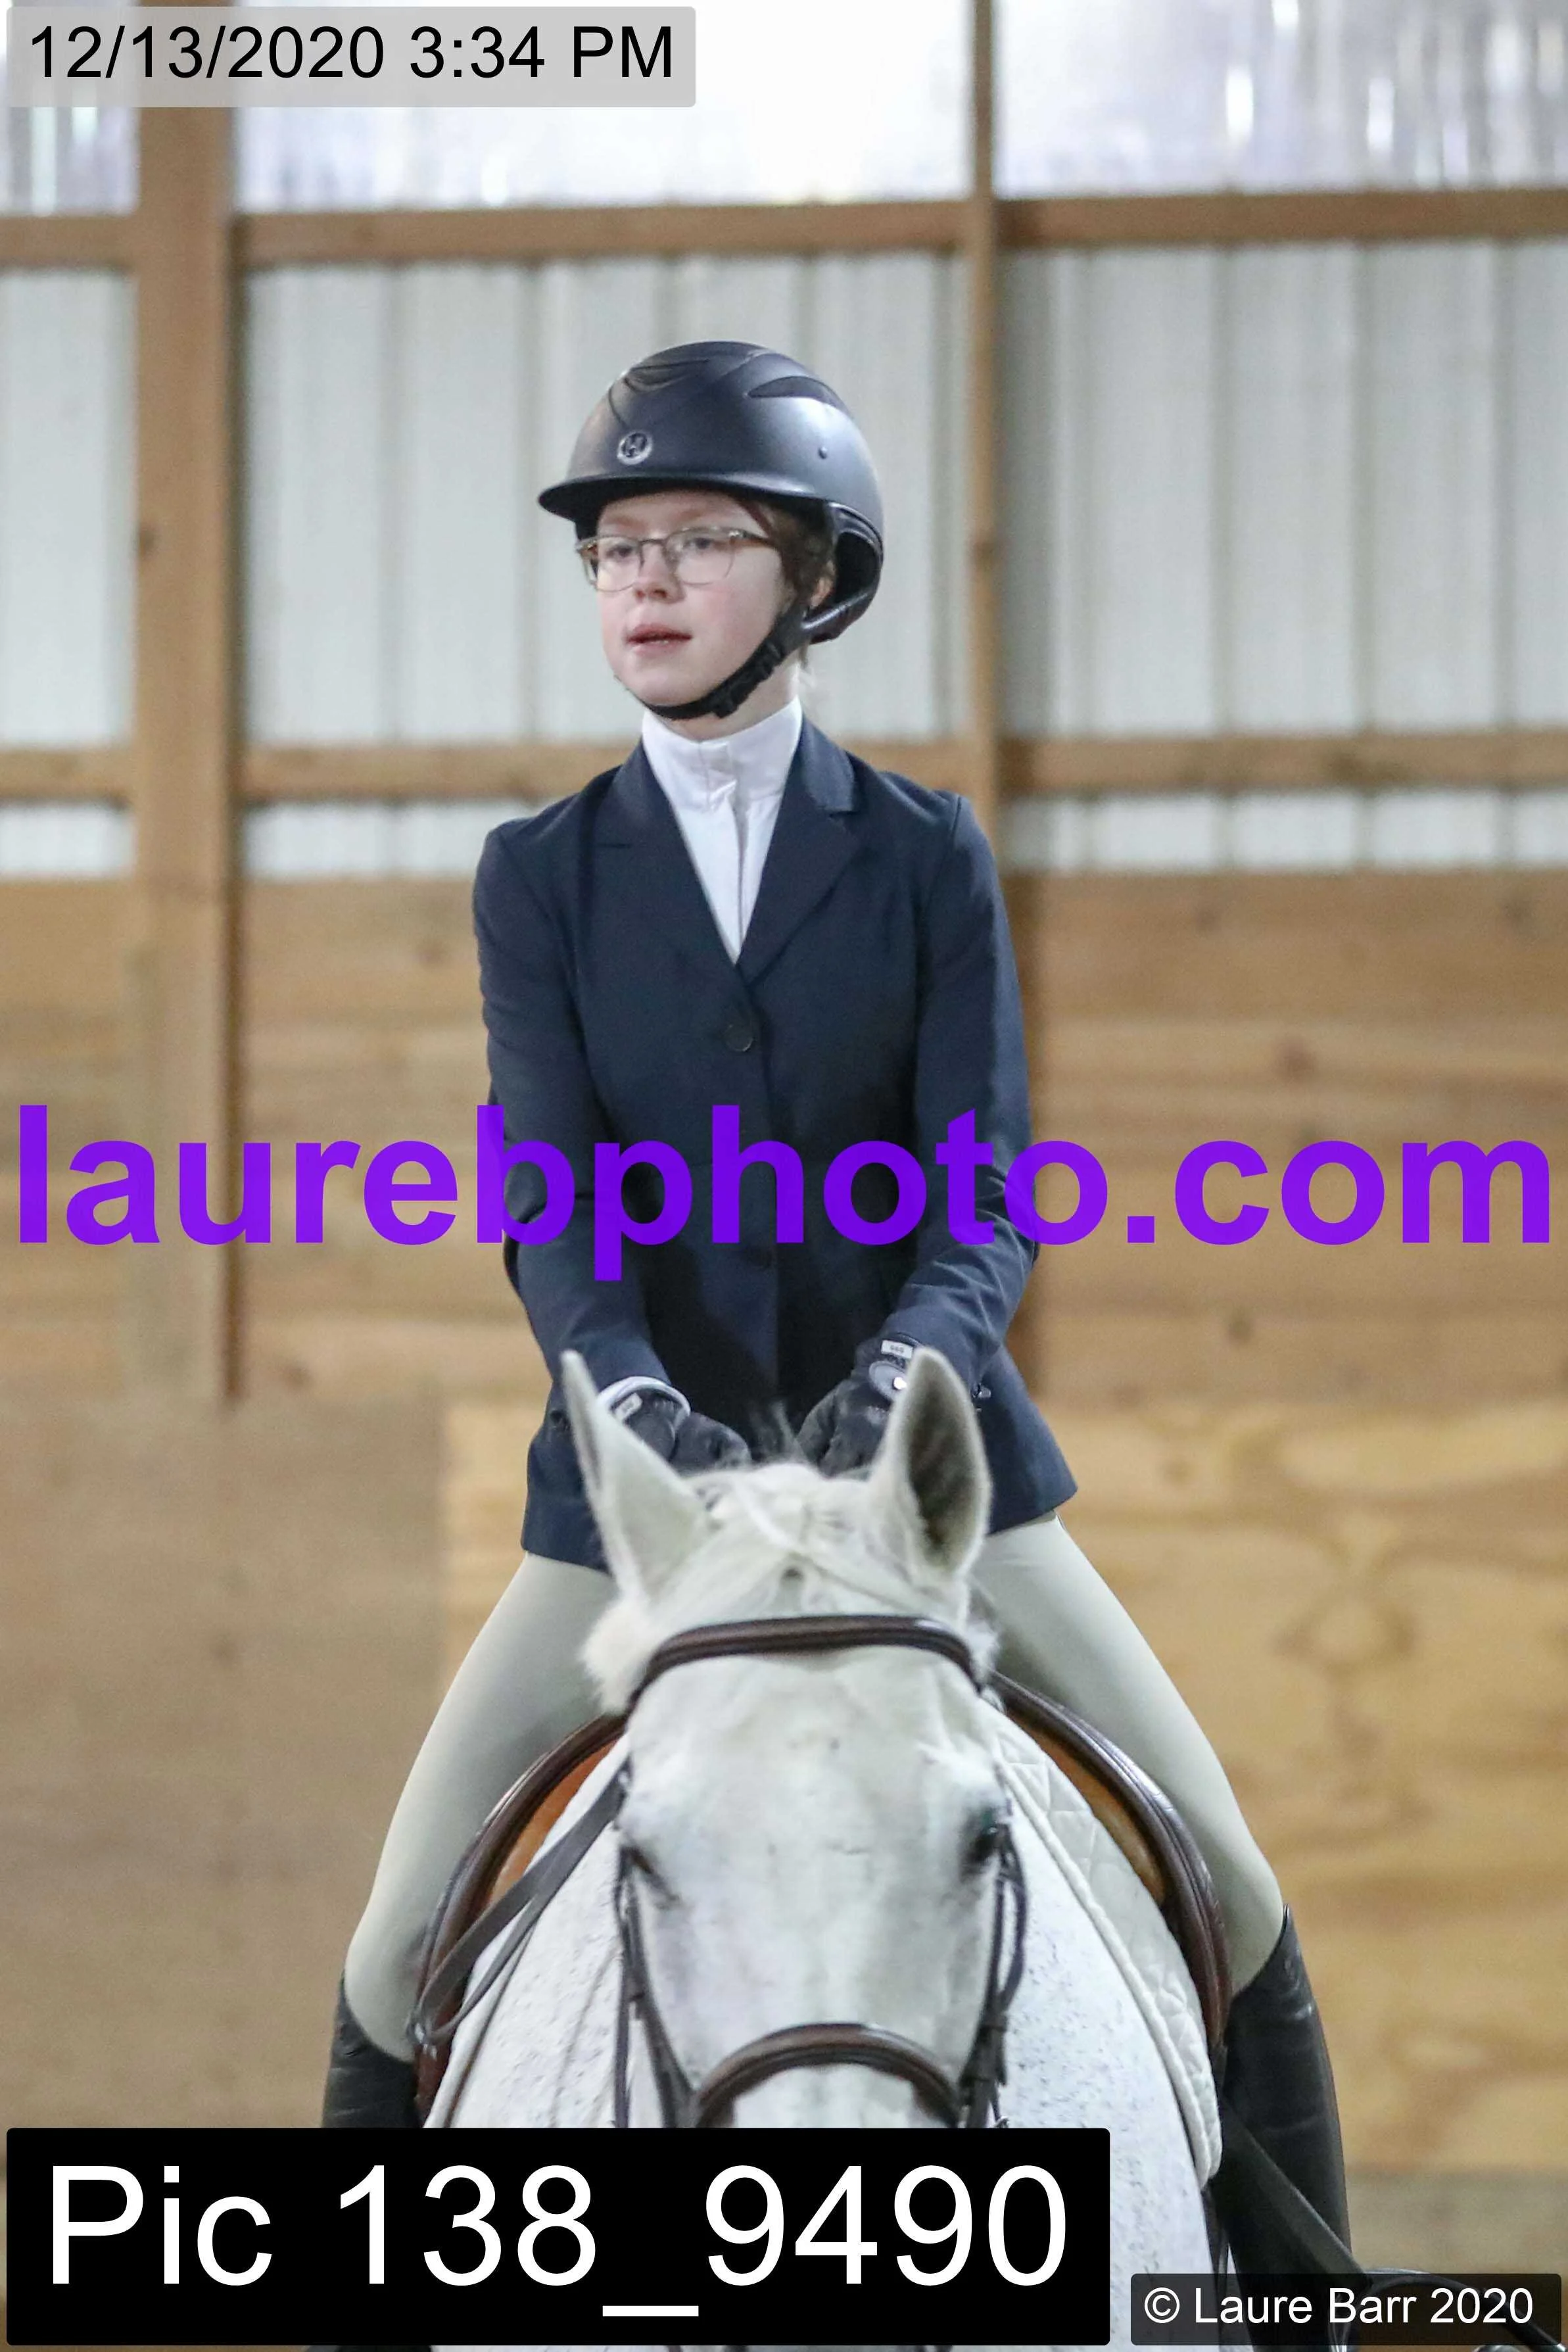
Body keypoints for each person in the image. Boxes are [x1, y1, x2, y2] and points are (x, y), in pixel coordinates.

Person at [322, 340, 1348, 2272]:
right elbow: (550, 1193)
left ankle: (1312, 2304)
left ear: (812, 576)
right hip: (640, 1512)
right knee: (392, 1951)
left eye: (697, 539)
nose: (643, 578)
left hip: (937, 1500)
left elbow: (982, 1193)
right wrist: (625, 1391)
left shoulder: (925, 854)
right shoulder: (539, 877)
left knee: (1231, 1883)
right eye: (616, 546)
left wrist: (913, 1372)